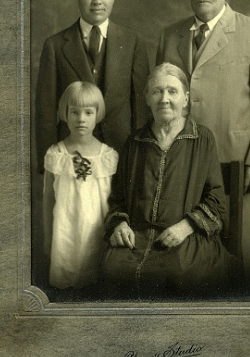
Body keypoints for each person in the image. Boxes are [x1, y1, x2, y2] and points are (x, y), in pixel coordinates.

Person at [156, 0, 250, 286]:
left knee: (241, 249)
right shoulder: (171, 35)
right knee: (191, 250)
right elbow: (162, 102)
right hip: (185, 163)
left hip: (238, 164)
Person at [101, 63, 236, 300]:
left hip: (186, 238)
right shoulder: (134, 142)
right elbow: (117, 199)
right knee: (113, 268)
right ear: (147, 99)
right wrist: (119, 225)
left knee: (181, 273)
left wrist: (185, 226)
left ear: (185, 98)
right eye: (157, 91)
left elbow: (216, 200)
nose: (164, 99)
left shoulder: (202, 139)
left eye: (172, 91)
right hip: (138, 237)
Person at [35, 0, 149, 173]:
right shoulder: (55, 45)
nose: (98, 1)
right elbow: (45, 113)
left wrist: (140, 160)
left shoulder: (133, 42)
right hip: (70, 158)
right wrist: (48, 166)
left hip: (120, 155)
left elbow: (141, 109)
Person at [42, 81, 118, 295]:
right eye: (74, 112)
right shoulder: (56, 154)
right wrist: (48, 238)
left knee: (96, 286)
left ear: (97, 114)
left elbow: (114, 201)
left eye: (88, 112)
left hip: (97, 232)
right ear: (66, 114)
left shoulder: (108, 156)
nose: (81, 119)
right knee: (66, 290)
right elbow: (48, 198)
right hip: (65, 233)